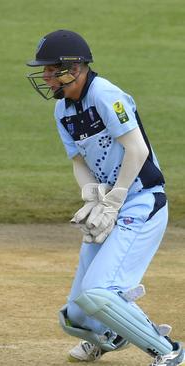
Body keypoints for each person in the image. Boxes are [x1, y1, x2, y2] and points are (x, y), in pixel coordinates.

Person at [26, 30, 184, 366]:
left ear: (75, 67)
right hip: (110, 205)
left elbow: (137, 149)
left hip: (142, 202)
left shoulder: (106, 95)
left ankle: (169, 350)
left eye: (52, 69)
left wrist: (116, 199)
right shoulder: (62, 112)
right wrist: (91, 196)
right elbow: (79, 162)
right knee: (76, 315)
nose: (46, 76)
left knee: (100, 292)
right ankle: (108, 337)